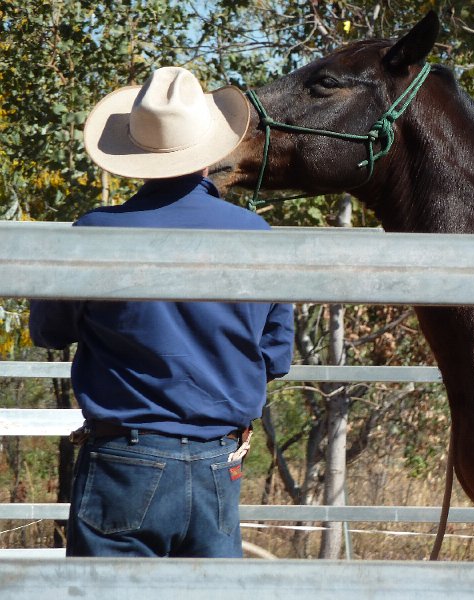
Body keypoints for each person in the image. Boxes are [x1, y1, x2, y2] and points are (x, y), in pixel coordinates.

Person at [28, 66, 294, 558]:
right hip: (220, 459)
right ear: (207, 151)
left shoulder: (96, 233)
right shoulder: (256, 236)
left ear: (133, 155)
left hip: (123, 458)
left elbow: (47, 329)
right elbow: (275, 356)